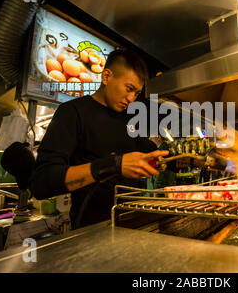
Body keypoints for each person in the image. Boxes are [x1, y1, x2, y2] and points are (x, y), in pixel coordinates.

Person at [29, 49, 168, 228]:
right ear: (106, 77)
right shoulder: (73, 113)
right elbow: (42, 182)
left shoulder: (129, 120)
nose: (131, 99)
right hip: (91, 229)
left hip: (131, 224)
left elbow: (149, 151)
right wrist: (112, 165)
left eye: (136, 93)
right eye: (129, 89)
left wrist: (181, 159)